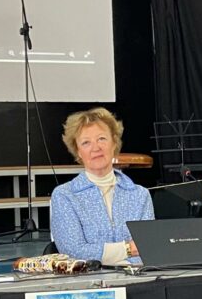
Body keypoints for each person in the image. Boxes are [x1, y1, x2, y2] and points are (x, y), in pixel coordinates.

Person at [50, 107, 154, 264]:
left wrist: (112, 257)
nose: (96, 148)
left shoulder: (140, 195)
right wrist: (128, 249)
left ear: (114, 143)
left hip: (136, 275)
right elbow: (73, 251)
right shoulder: (64, 195)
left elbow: (147, 247)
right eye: (86, 142)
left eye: (102, 139)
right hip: (88, 278)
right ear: (78, 151)